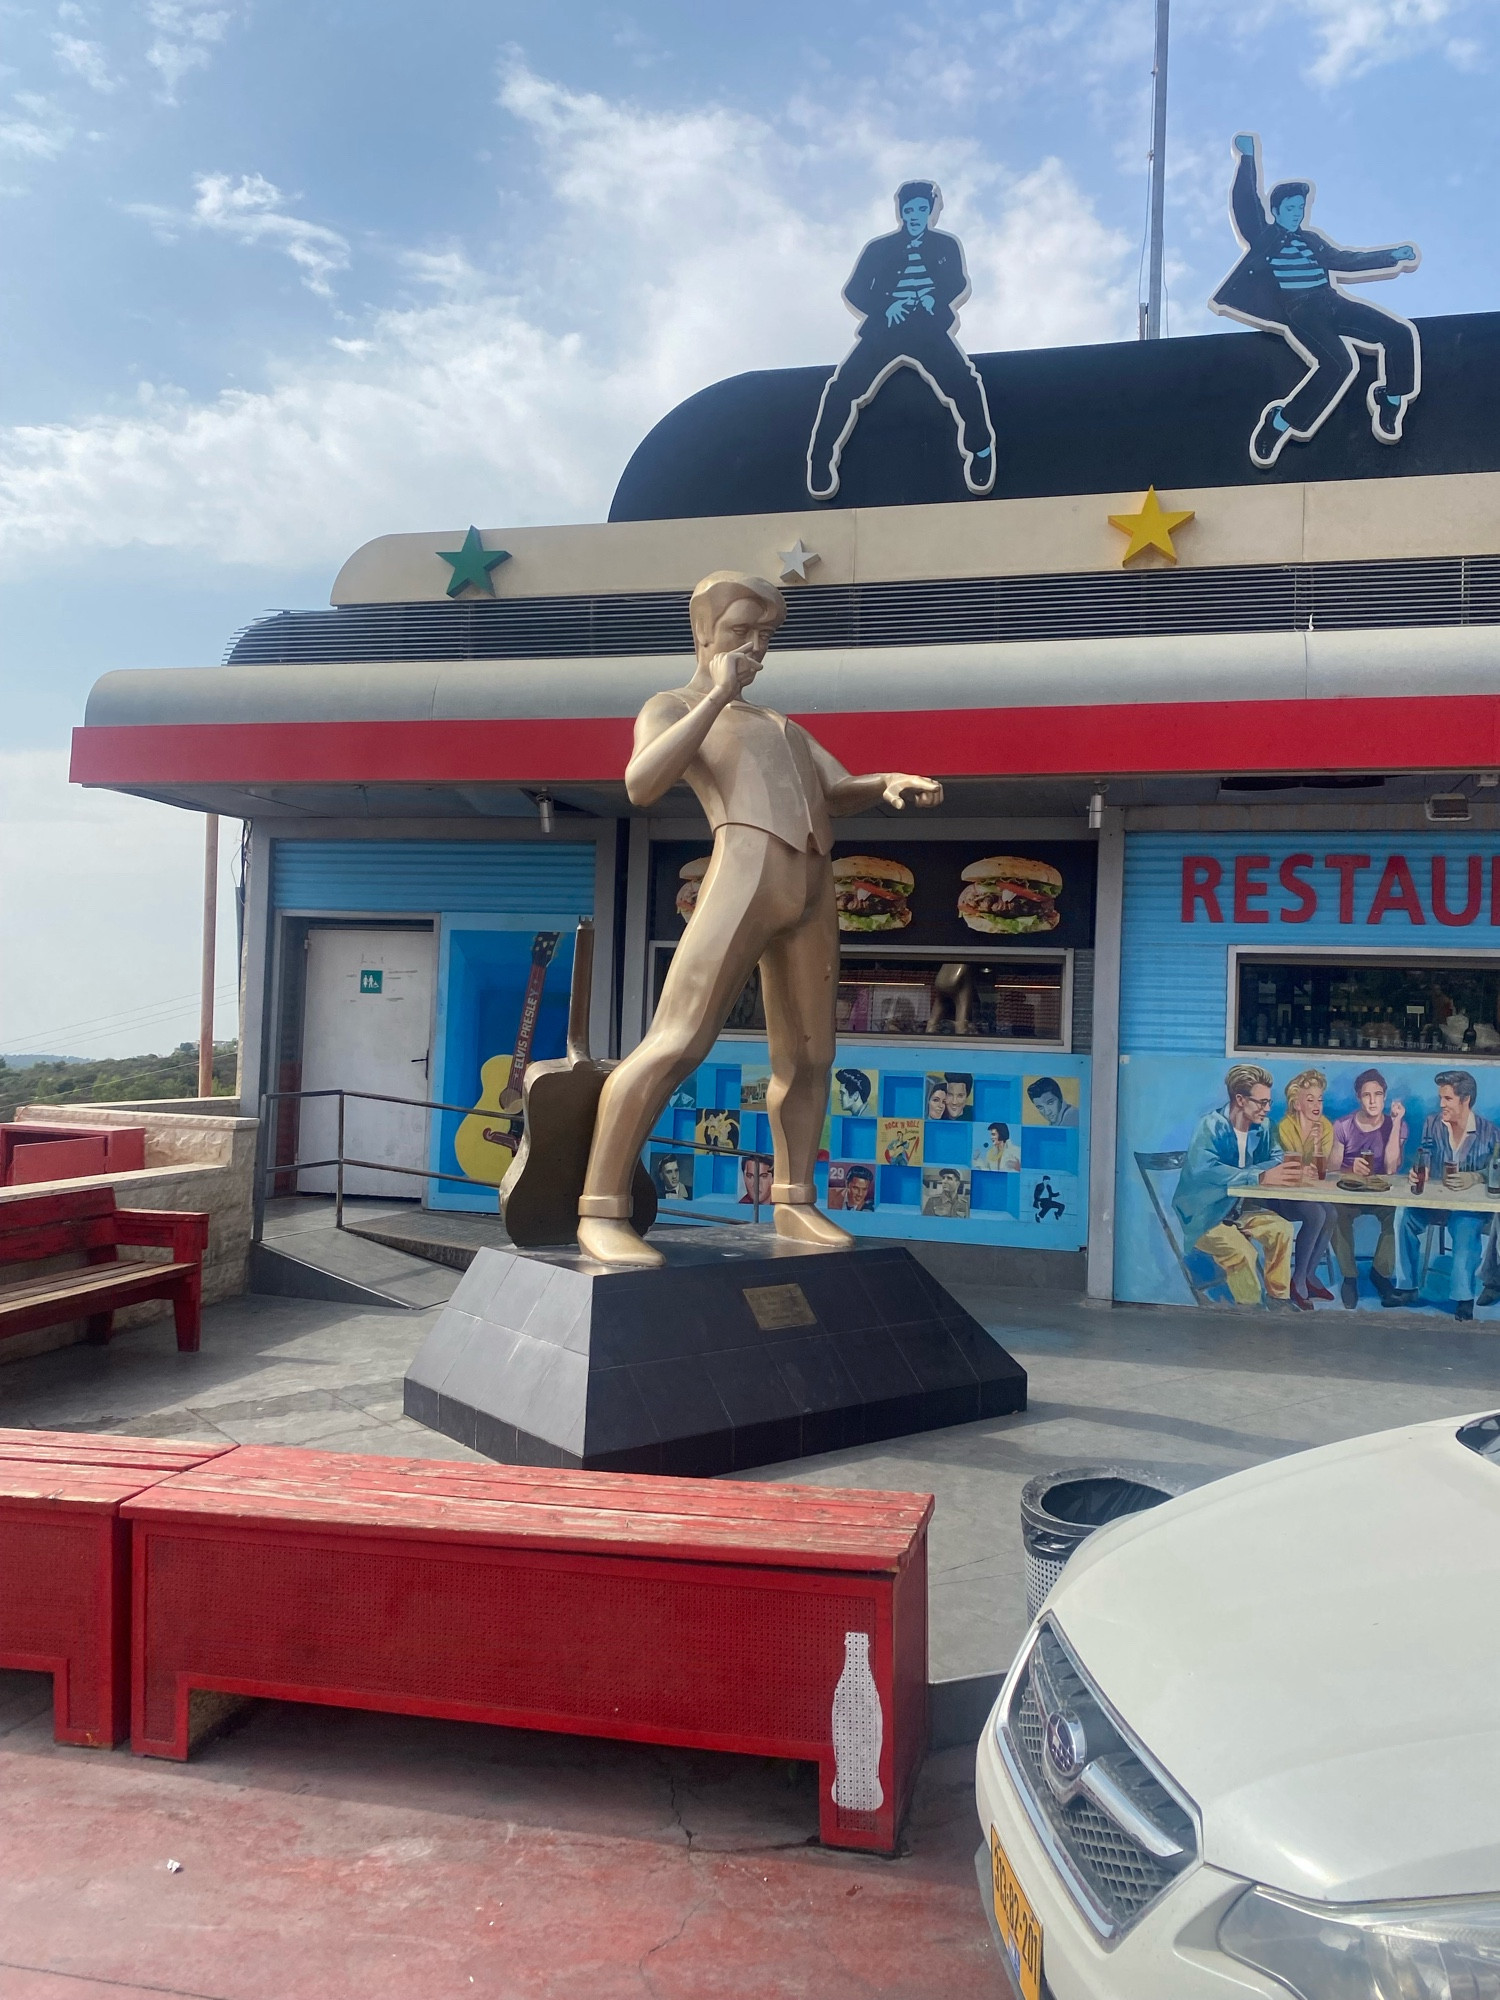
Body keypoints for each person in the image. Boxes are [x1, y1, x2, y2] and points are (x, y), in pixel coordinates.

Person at [576, 570, 942, 1267]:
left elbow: (836, 790)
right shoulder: (674, 705)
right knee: (677, 1042)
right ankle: (601, 1205)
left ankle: (795, 1198)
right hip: (741, 869)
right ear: (703, 633)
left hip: (811, 882)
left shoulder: (783, 726)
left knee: (809, 1056)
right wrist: (716, 692)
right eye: (741, 631)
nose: (754, 648)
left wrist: (886, 779)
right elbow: (641, 782)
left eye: (765, 636)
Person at [1210, 133, 1420, 468]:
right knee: (1341, 364)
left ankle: (1391, 399)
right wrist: (1247, 160)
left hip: (1331, 301)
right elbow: (1245, 204)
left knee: (1398, 333)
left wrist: (1392, 255)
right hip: (1300, 309)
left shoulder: (1312, 239)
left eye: (1301, 209)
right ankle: (1279, 423)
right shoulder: (1265, 237)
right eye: (1290, 209)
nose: (1297, 214)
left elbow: (1346, 260)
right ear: (1276, 211)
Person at [807, 181, 996, 501]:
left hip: (928, 328)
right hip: (886, 328)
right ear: (901, 212)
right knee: (843, 387)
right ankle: (821, 457)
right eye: (909, 210)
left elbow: (957, 282)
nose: (915, 216)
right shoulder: (879, 249)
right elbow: (855, 290)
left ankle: (979, 450)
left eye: (922, 209)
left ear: (932, 209)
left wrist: (933, 299)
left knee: (964, 381)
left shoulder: (945, 245)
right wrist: (887, 305)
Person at [1172, 1064, 1305, 1306]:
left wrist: (1255, 1173)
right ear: (1241, 1099)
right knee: (1243, 1252)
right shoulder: (1210, 1127)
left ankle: (1278, 1300)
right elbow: (1207, 1170)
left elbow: (1277, 1158)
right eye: (1261, 1103)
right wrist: (1258, 1176)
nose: (1267, 1109)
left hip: (1238, 1209)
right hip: (1205, 1215)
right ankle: (1251, 1308)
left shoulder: (1263, 1127)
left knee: (1282, 1230)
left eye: (1268, 1103)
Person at [1390, 1070, 1499, 1319]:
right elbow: (1425, 1150)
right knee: (1403, 1215)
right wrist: (1422, 1170)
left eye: (1447, 1099)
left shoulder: (1489, 1132)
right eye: (1441, 1098)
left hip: (1467, 1206)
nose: (1441, 1104)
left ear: (1466, 1099)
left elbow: (1498, 1167)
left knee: (1464, 1228)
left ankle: (1463, 1298)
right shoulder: (1433, 1123)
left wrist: (1475, 1177)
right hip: (1435, 1201)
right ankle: (1407, 1287)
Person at [1329, 1067, 1406, 1306]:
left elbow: (1392, 1168)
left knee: (1397, 1216)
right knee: (1334, 1213)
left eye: (1378, 1094)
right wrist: (1350, 1170)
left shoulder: (1397, 1126)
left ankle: (1380, 1274)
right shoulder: (1343, 1125)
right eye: (1367, 1095)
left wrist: (1395, 1123)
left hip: (1381, 1193)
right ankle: (1349, 1277)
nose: (1373, 1100)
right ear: (1358, 1097)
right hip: (1349, 1192)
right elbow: (1331, 1168)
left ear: (1385, 1096)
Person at [1264, 1069, 1339, 1311]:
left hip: (1308, 1192)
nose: (1317, 1105)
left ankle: (1309, 1275)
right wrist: (1299, 1170)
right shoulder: (1284, 1127)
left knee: (1331, 1213)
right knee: (1316, 1214)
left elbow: (1322, 1169)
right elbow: (1282, 1164)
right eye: (1310, 1100)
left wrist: (1317, 1144)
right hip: (1282, 1196)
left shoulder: (1326, 1127)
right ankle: (1298, 1280)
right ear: (1297, 1104)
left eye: (1320, 1100)